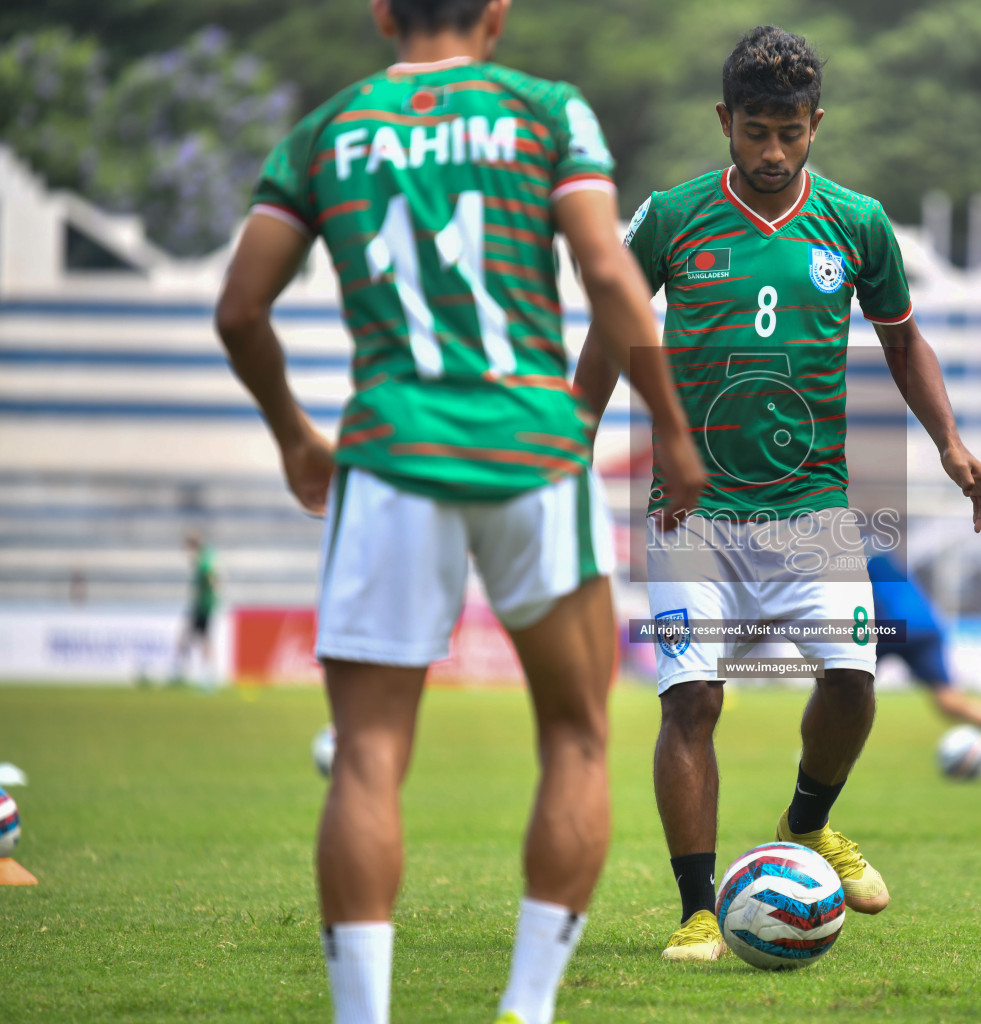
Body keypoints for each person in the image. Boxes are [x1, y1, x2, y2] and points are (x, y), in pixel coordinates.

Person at [214, 1, 704, 1022]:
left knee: (367, 753)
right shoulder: (545, 112)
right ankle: (524, 1009)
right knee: (574, 735)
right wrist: (672, 426)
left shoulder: (325, 131)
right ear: (497, 12)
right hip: (533, 447)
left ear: (382, 12)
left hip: (390, 453)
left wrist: (296, 435)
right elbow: (608, 272)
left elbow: (239, 309)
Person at [574, 25, 981, 963]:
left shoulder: (857, 222)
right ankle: (699, 911)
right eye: (755, 132)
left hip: (813, 509)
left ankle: (808, 823)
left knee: (853, 681)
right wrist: (572, 438)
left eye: (791, 132)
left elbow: (903, 342)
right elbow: (614, 329)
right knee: (692, 703)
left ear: (816, 123)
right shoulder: (673, 216)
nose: (772, 152)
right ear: (725, 121)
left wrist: (952, 445)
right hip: (692, 516)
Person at [867, 553, 981, 765]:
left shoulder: (847, 562)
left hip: (888, 626)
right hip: (926, 624)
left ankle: (834, 749)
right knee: (947, 698)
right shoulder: (886, 560)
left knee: (849, 689)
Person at [172, 532, 218, 686]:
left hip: (203, 606)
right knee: (195, 638)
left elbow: (212, 577)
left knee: (197, 638)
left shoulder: (203, 560)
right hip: (202, 605)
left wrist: (210, 589)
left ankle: (204, 675)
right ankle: (199, 673)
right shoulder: (204, 559)